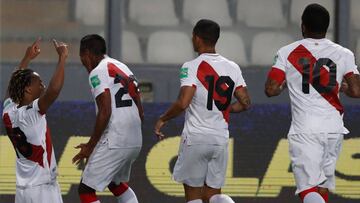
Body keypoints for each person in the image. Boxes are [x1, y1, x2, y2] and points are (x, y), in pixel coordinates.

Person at [265, 4, 360, 203]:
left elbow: (271, 89)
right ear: (327, 27)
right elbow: (356, 90)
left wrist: (285, 85)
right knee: (321, 186)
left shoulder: (287, 52)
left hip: (306, 129)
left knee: (307, 189)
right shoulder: (344, 53)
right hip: (334, 129)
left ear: (303, 26)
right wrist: (340, 87)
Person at [154, 19, 251, 203]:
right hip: (219, 139)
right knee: (213, 196)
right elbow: (245, 102)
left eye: (193, 36)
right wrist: (224, 109)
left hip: (196, 138)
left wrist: (163, 119)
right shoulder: (233, 67)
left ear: (197, 38)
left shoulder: (191, 66)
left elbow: (183, 102)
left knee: (194, 196)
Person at [73, 34, 143, 203]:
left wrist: (90, 146)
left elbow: (105, 111)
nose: (83, 63)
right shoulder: (123, 68)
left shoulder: (97, 72)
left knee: (86, 189)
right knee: (115, 183)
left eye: (82, 58)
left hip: (116, 138)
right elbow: (140, 108)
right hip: (135, 137)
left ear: (87, 54)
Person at [2, 38, 68, 203]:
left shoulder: (8, 113)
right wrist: (62, 59)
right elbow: (54, 90)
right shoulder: (31, 114)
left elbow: (12, 88)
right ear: (29, 89)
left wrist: (27, 58)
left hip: (23, 191)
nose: (43, 87)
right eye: (40, 83)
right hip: (43, 190)